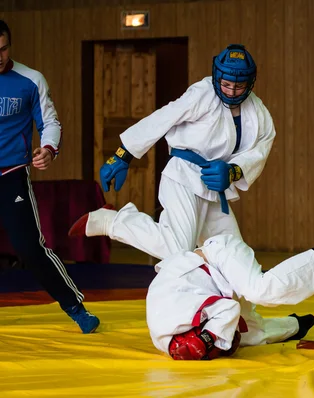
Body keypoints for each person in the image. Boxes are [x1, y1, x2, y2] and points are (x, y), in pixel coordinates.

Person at [68, 44, 275, 261]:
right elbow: (165, 117)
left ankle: (223, 296)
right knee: (177, 248)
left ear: (249, 83)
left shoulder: (257, 110)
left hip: (214, 186)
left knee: (234, 258)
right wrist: (123, 154)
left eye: (238, 86)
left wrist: (233, 171)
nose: (231, 91)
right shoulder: (203, 93)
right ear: (217, 78)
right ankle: (112, 222)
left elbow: (262, 146)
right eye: (226, 84)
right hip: (183, 176)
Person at [0, 20, 99, 333]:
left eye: (2, 49)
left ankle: (75, 308)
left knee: (30, 248)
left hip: (11, 175)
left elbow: (51, 123)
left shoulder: (30, 80)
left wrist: (49, 148)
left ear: (9, 47)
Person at [147, 234, 314, 360]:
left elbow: (229, 309)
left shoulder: (177, 312)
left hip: (219, 258)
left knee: (259, 290)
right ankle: (296, 325)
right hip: (214, 284)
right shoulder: (168, 337)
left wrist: (210, 338)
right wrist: (211, 341)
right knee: (252, 335)